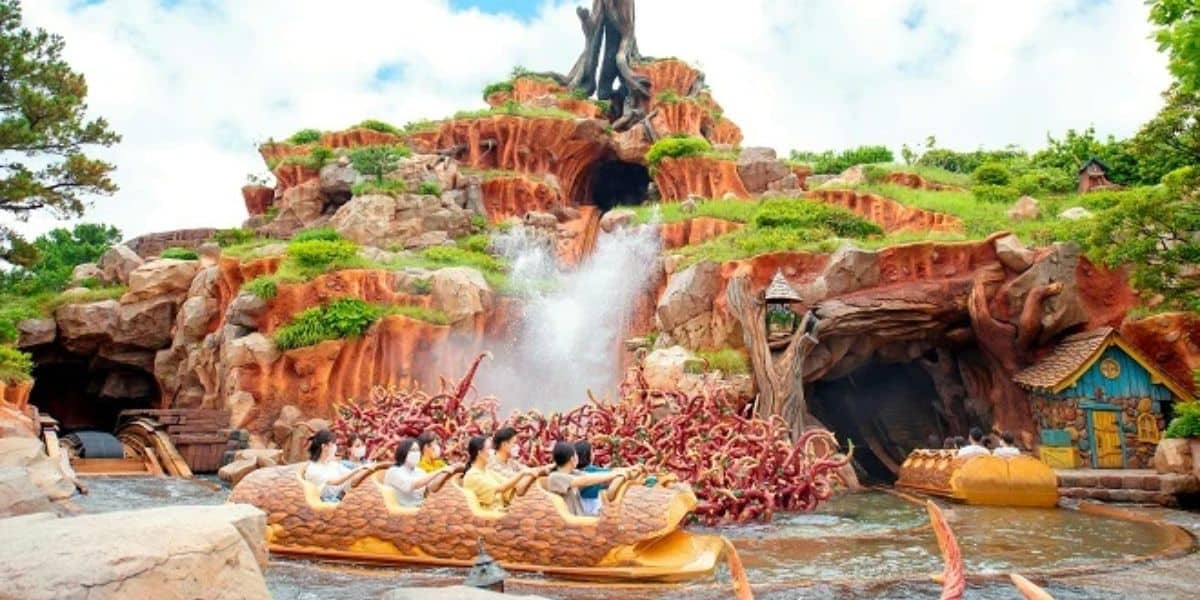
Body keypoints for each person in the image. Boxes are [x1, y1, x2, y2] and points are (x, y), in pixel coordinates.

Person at [546, 441, 626, 516]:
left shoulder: (573, 472)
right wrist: (615, 474)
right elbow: (585, 480)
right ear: (572, 459)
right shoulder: (555, 477)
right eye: (576, 454)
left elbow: (591, 476)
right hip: (571, 525)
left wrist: (619, 472)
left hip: (580, 517)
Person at [462, 435, 538, 511]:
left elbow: (512, 485)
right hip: (489, 517)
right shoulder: (472, 475)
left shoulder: (488, 471)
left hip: (500, 513)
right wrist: (522, 473)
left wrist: (534, 474)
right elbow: (501, 488)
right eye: (489, 449)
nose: (492, 452)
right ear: (480, 452)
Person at [305, 429, 373, 502]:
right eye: (333, 444)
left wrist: (365, 470)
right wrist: (359, 469)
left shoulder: (331, 464)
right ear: (324, 447)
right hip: (327, 505)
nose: (335, 447)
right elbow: (336, 482)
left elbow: (349, 474)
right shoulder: (313, 469)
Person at [384, 437, 454, 506]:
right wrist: (439, 471)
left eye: (418, 450)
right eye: (413, 450)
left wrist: (446, 475)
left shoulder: (419, 471)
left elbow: (431, 487)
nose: (416, 453)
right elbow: (415, 484)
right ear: (403, 452)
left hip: (420, 507)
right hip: (403, 510)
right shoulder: (394, 471)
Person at [574, 440, 610, 515]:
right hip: (594, 511)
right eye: (592, 451)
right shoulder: (595, 471)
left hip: (576, 511)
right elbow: (612, 474)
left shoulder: (571, 472)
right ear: (589, 455)